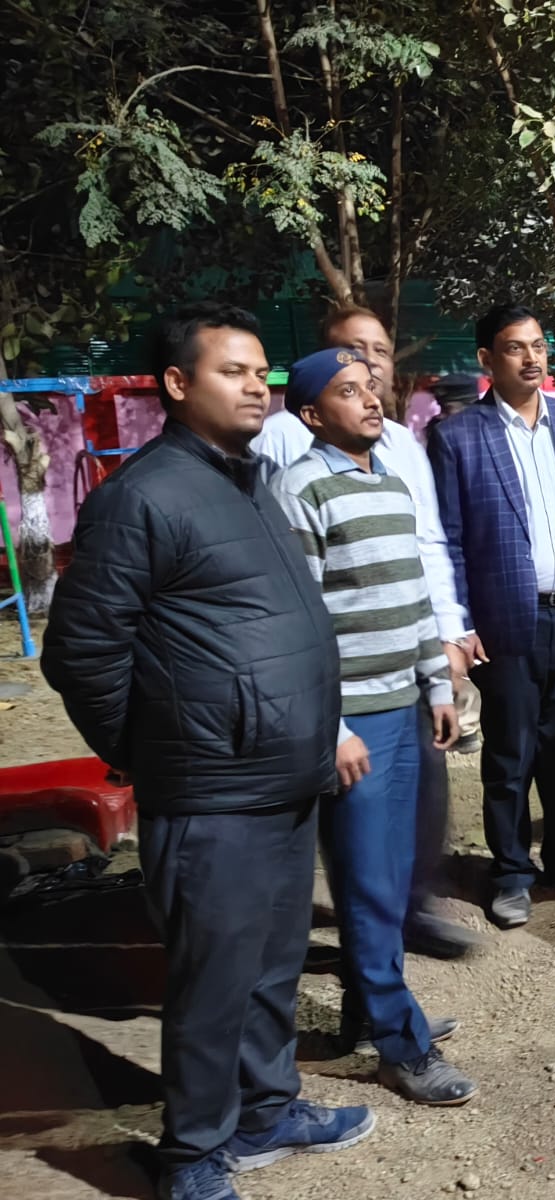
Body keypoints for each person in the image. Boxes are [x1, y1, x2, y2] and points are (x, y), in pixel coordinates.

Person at [42, 303, 373, 1200]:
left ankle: (266, 1111)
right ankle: (192, 1154)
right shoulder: (140, 499)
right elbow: (81, 653)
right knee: (212, 982)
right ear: (177, 383)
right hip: (210, 793)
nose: (256, 387)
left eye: (262, 372)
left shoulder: (249, 481)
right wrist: (152, 749)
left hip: (281, 782)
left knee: (271, 968)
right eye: (234, 371)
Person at [272, 349, 478, 1106]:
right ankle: (402, 1047)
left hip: (404, 711)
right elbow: (298, 625)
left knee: (390, 876)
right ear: (311, 414)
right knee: (364, 883)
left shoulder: (389, 482)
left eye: (370, 388)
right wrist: (329, 728)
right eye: (346, 392)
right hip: (352, 721)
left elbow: (415, 597)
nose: (369, 400)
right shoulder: (299, 490)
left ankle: (369, 1015)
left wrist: (436, 686)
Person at [429, 304, 555, 930]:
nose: (531, 357)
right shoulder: (459, 437)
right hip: (503, 620)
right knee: (510, 750)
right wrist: (461, 625)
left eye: (538, 345)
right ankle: (512, 871)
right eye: (515, 347)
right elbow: (449, 540)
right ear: (487, 359)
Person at [425, 373, 488, 754]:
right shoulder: (444, 435)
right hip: (453, 550)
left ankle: (466, 722)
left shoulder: (464, 431)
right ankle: (463, 723)